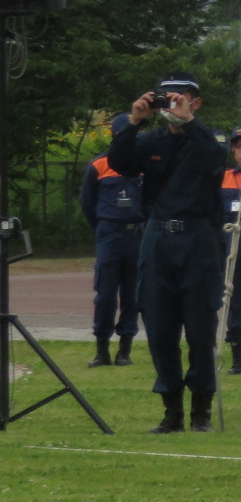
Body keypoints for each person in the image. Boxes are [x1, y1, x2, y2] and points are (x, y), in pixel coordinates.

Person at [107, 74, 230, 434]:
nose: (174, 105)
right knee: (160, 331)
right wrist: (134, 121)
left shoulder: (209, 137)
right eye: (168, 99)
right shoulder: (151, 140)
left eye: (183, 98)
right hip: (159, 239)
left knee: (200, 332)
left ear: (196, 103)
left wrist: (189, 123)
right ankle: (171, 409)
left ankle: (201, 411)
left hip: (198, 241)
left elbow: (215, 159)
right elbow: (120, 163)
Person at [77, 134, 144, 368]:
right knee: (105, 294)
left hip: (136, 234)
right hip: (109, 233)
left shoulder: (143, 165)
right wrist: (103, 228)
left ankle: (124, 350)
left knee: (132, 296)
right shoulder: (99, 165)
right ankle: (102, 349)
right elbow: (87, 202)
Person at [221, 130, 241, 375]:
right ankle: (238, 359)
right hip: (233, 252)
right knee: (235, 303)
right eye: (239, 145)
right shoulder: (225, 178)